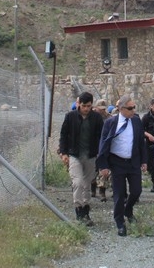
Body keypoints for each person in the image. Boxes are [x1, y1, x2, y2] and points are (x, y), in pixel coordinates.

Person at [97, 94, 147, 237]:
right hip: (117, 162)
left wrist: (144, 161)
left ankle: (128, 210)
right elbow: (103, 144)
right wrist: (103, 165)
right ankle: (119, 222)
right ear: (120, 109)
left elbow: (141, 143)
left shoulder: (136, 121)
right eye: (130, 108)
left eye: (134, 108)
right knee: (119, 194)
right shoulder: (111, 123)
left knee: (136, 191)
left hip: (133, 162)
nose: (133, 110)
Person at [58, 91, 105, 226]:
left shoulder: (96, 118)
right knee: (78, 182)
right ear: (79, 104)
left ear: (92, 105)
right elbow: (63, 135)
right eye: (84, 106)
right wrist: (64, 152)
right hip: (75, 155)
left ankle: (86, 209)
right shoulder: (70, 117)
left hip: (90, 155)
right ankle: (78, 209)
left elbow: (101, 137)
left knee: (87, 184)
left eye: (88, 106)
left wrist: (100, 155)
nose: (85, 109)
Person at [92, 99, 112, 202]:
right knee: (93, 170)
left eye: (103, 109)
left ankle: (102, 190)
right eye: (100, 109)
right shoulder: (92, 117)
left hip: (104, 147)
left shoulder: (109, 118)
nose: (102, 111)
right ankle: (93, 187)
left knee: (103, 170)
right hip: (93, 146)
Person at [141, 98, 154, 192]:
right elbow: (141, 130)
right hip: (150, 144)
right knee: (153, 166)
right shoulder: (146, 117)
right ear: (151, 106)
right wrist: (148, 135)